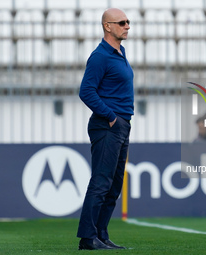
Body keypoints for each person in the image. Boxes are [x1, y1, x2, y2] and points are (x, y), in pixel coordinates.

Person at [77, 8, 133, 250]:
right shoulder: (100, 56)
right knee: (101, 182)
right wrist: (110, 116)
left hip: (121, 125)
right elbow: (86, 91)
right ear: (107, 26)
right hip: (108, 125)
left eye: (128, 22)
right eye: (122, 22)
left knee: (113, 185)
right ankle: (88, 238)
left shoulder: (120, 53)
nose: (127, 26)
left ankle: (100, 234)